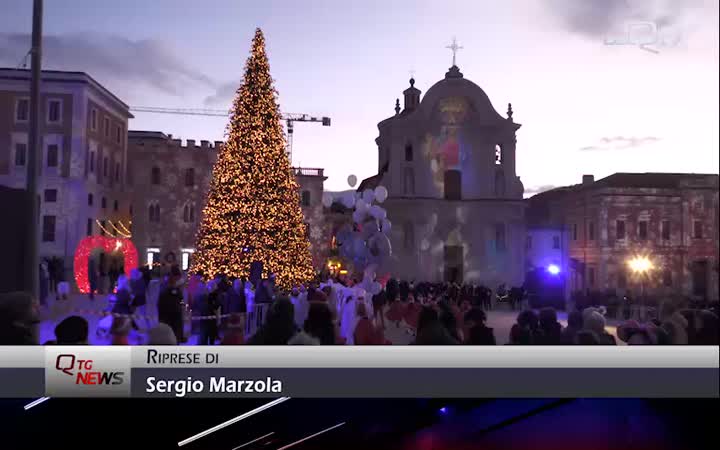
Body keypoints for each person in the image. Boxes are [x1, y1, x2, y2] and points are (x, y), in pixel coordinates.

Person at [157, 266, 186, 343]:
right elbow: (180, 299)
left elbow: (181, 299)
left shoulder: (165, 287)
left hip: (170, 313)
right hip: (171, 313)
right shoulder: (169, 288)